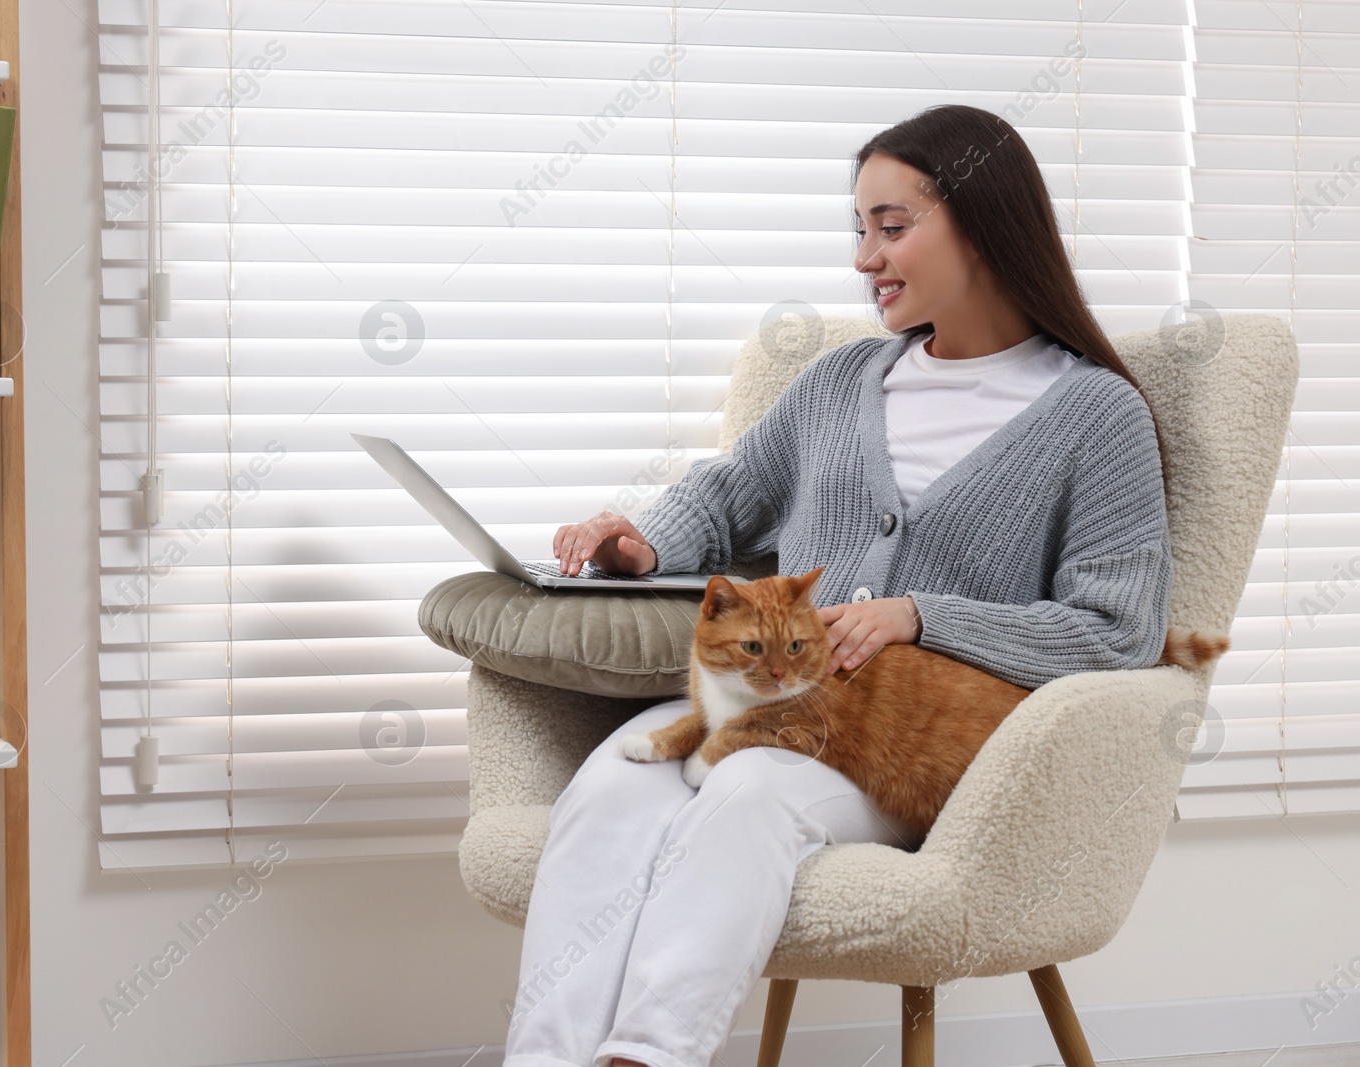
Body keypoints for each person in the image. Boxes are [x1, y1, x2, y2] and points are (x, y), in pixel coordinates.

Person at [499, 103, 1173, 1067]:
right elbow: (732, 495)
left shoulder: (1095, 415)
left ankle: (646, 1056)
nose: (866, 258)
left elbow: (1118, 630)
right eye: (860, 230)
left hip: (913, 749)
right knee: (609, 787)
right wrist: (641, 543)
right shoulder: (840, 381)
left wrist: (921, 615)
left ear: (985, 222)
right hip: (772, 711)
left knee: (751, 796)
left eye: (892, 228)